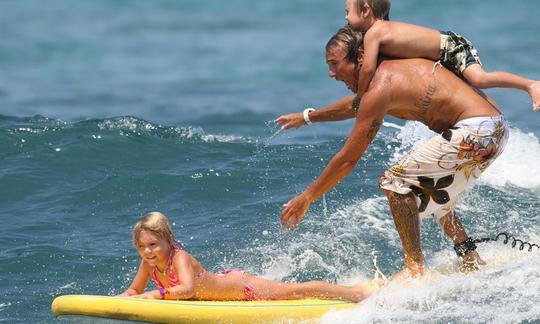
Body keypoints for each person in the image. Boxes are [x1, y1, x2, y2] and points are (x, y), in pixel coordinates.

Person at [276, 26, 521, 278]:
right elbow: (355, 106)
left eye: (335, 64)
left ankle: (414, 268)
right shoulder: (391, 71)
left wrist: (307, 197)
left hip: (476, 131)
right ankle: (469, 255)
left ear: (360, 58)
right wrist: (308, 117)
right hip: (494, 129)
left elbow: (348, 159)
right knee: (430, 191)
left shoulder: (381, 87)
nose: (331, 73)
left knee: (395, 182)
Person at [118, 211, 377, 302]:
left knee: (296, 292)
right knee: (293, 291)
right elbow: (134, 290)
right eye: (142, 247)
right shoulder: (148, 263)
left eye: (153, 244)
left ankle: (355, 292)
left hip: (243, 288)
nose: (148, 251)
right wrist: (115, 301)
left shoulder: (179, 258)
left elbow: (185, 290)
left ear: (168, 240)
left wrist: (153, 295)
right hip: (222, 287)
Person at [344, 0, 540, 111]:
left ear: (366, 11)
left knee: (480, 79)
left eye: (347, 12)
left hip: (453, 47)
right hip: (445, 51)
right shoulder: (382, 30)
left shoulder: (374, 33)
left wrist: (361, 96)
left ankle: (530, 84)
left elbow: (368, 68)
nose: (345, 17)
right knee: (468, 92)